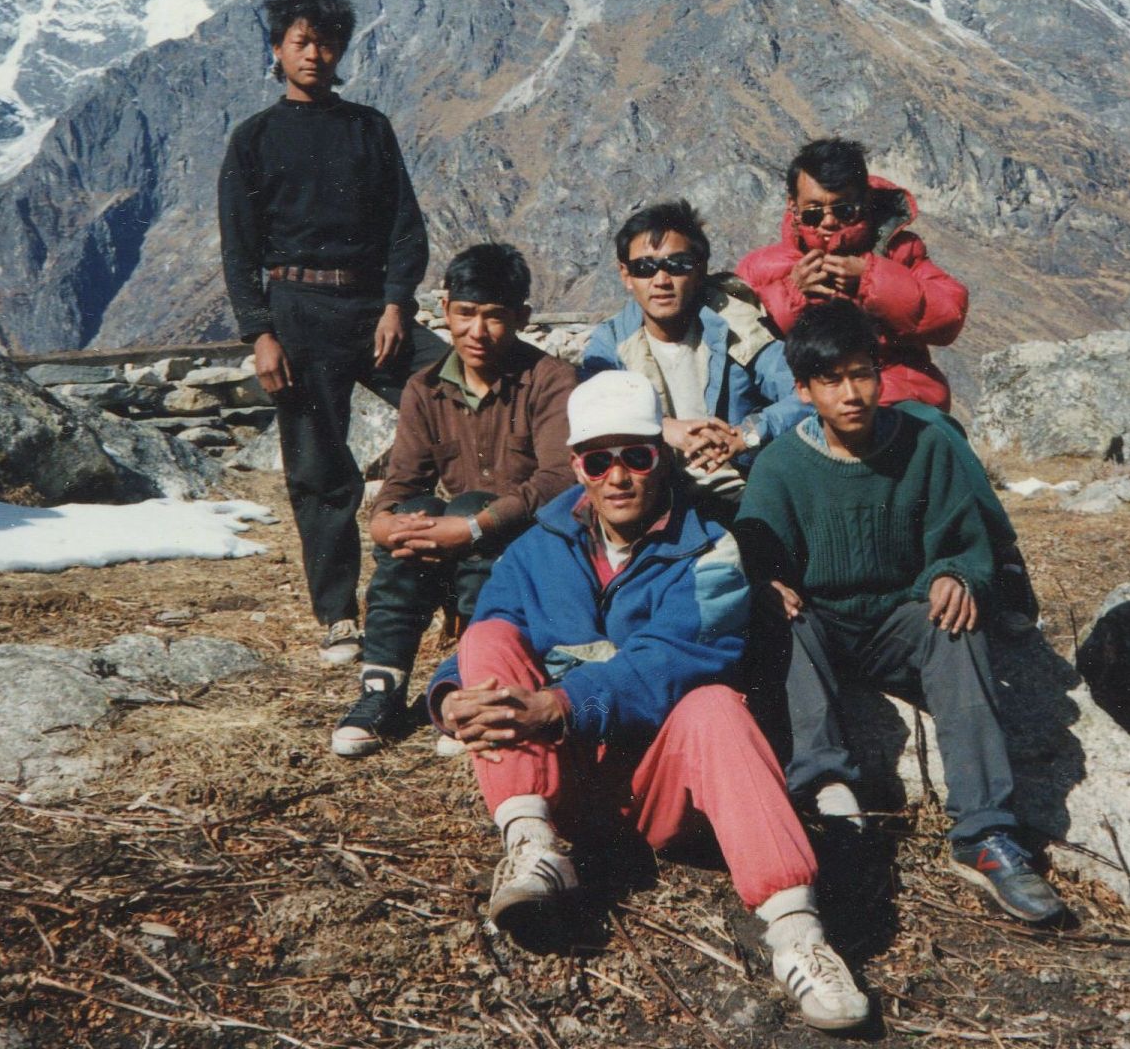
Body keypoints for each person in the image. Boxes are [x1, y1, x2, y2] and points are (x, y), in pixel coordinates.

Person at [426, 371, 871, 1035]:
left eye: (634, 455)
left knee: (714, 706)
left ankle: (797, 934)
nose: (617, 476)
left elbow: (671, 663)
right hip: (562, 780)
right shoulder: (535, 550)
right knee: (487, 637)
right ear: (576, 466)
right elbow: (486, 633)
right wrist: (450, 698)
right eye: (597, 460)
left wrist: (559, 701)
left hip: (663, 791)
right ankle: (530, 843)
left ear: (659, 457)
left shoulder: (711, 553)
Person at [734, 300, 1062, 925]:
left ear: (881, 376)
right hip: (821, 626)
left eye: (862, 374)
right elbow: (754, 551)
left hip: (897, 623)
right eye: (830, 380)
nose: (851, 393)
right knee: (782, 617)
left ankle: (984, 834)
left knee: (955, 622)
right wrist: (766, 582)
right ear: (802, 390)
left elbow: (967, 544)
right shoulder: (779, 468)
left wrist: (956, 574)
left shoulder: (924, 448)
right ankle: (831, 796)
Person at [217, 0, 445, 664]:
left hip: (373, 308)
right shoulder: (254, 138)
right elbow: (238, 248)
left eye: (325, 42)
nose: (313, 54)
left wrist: (397, 302)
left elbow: (406, 224)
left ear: (340, 48)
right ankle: (338, 613)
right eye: (300, 42)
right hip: (296, 312)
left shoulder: (368, 128)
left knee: (449, 397)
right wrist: (260, 332)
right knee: (318, 467)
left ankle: (452, 585)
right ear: (278, 50)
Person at [331, 243, 577, 757]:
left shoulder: (550, 381)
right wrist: (384, 525)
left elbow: (558, 480)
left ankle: (477, 684)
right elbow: (402, 481)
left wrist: (473, 527)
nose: (477, 331)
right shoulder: (424, 389)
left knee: (468, 509)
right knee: (411, 521)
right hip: (461, 542)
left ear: (522, 318)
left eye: (495, 317)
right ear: (445, 311)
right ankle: (382, 689)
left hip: (531, 542)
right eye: (465, 314)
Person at [580, 199, 807, 511]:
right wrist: (663, 427)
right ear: (625, 275)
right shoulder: (612, 344)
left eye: (677, 265)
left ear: (700, 269)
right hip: (652, 500)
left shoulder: (738, 326)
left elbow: (805, 392)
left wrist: (747, 434)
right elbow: (590, 415)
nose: (661, 281)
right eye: (644, 268)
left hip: (741, 494)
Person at [736, 137, 967, 410]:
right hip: (803, 402)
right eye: (813, 214)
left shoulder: (900, 252)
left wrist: (871, 279)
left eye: (843, 210)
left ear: (865, 200)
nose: (829, 222)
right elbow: (741, 341)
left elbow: (948, 315)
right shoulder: (760, 267)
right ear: (793, 206)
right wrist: (791, 293)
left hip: (897, 397)